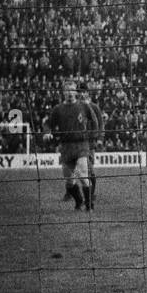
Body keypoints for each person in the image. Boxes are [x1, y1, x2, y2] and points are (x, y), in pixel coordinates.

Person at [45, 80, 95, 211]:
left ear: (76, 92)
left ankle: (89, 206)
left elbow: (94, 121)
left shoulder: (83, 106)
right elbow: (48, 124)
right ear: (63, 92)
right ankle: (79, 202)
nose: (70, 93)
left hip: (81, 145)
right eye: (67, 90)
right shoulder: (58, 109)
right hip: (66, 147)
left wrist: (92, 137)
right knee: (69, 181)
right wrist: (47, 132)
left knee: (83, 175)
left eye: (72, 90)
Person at [80, 83, 104, 207]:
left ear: (87, 93)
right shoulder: (75, 107)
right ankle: (71, 191)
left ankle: (90, 197)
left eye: (84, 92)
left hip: (90, 143)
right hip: (76, 143)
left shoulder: (94, 107)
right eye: (80, 92)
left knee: (89, 170)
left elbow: (100, 123)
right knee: (74, 172)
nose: (82, 94)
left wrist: (100, 138)